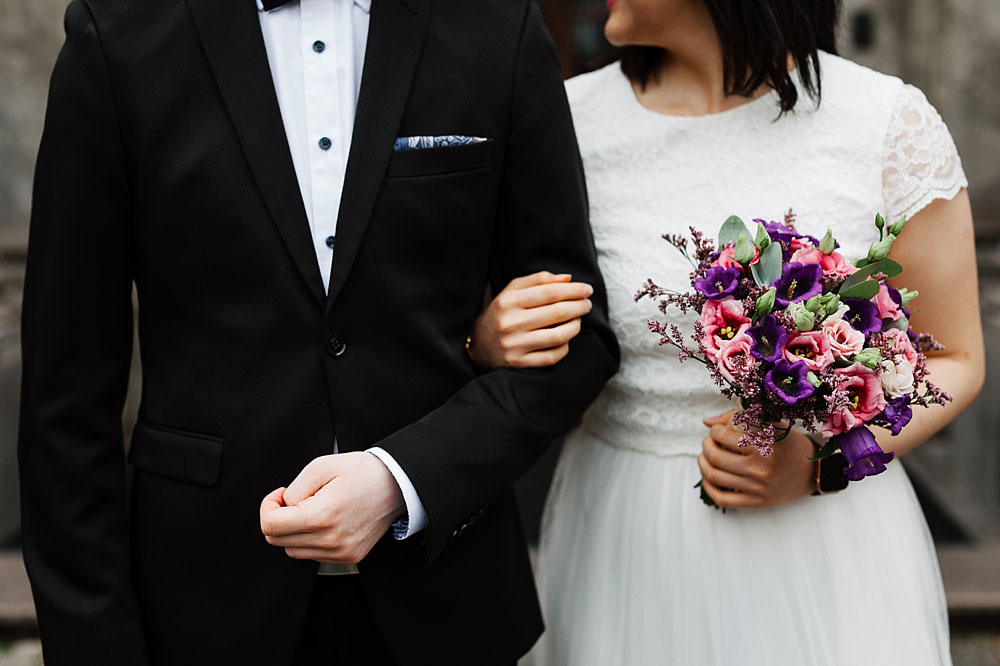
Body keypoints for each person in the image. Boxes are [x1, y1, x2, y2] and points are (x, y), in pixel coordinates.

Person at [17, 0, 619, 664]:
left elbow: (577, 337)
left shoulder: (494, 22)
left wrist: (403, 479)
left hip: (447, 605)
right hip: (197, 612)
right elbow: (64, 400)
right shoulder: (121, 28)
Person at [469, 1, 985, 664]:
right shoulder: (563, 121)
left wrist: (822, 462)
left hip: (826, 543)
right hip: (626, 535)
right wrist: (484, 342)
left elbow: (955, 357)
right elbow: (474, 309)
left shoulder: (885, 122)